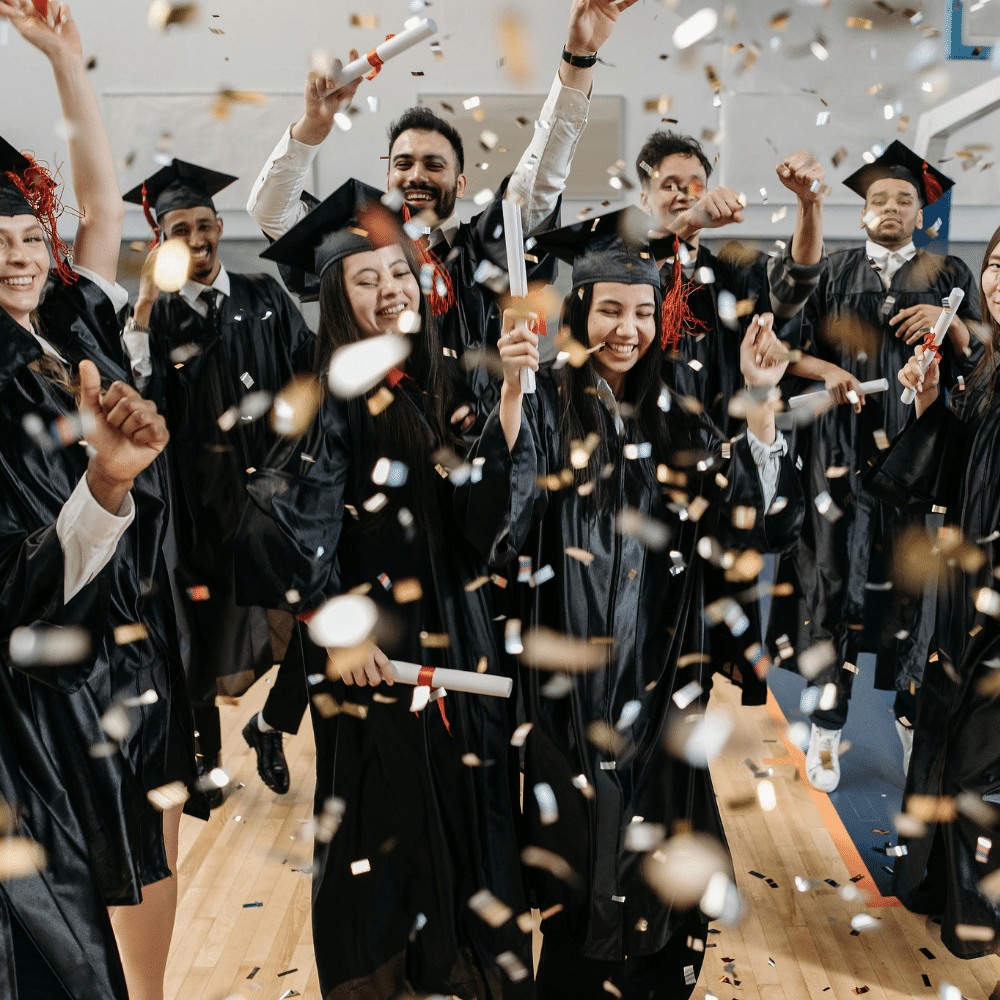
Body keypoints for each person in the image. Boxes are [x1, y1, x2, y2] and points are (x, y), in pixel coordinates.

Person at [242, 0, 638, 789]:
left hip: (474, 481)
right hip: (375, 484)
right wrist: (311, 131)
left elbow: (544, 172)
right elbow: (271, 215)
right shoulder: (360, 251)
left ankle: (458, 801)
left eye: (432, 165)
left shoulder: (489, 250)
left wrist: (577, 61)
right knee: (376, 669)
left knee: (462, 656)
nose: (415, 176)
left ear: (460, 180)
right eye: (402, 164)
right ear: (385, 178)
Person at [457, 209, 804, 1000]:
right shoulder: (542, 402)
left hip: (657, 674)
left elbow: (749, 529)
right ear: (579, 315)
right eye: (611, 309)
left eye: (643, 312)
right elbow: (496, 534)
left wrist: (757, 402)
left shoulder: (678, 411)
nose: (629, 328)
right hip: (566, 686)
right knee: (577, 864)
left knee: (658, 862)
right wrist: (511, 392)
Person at [234, 179, 529, 999]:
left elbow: (484, 523)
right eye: (366, 281)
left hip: (456, 629)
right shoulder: (327, 394)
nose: (389, 289)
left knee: (469, 813)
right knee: (389, 832)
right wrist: (335, 625)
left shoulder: (436, 378)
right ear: (336, 299)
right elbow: (275, 524)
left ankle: (467, 981)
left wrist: (506, 396)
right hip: (379, 657)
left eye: (398, 274)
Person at [0, 3, 197, 999]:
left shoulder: (74, 320)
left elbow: (104, 208)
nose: (19, 254)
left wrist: (68, 63)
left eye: (29, 236)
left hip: (110, 619)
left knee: (133, 832)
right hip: (30, 635)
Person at [766, 140, 983, 793]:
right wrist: (827, 368)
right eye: (878, 199)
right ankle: (827, 730)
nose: (890, 208)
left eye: (904, 200)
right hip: (838, 455)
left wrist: (954, 333)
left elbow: (978, 355)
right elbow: (782, 350)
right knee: (832, 583)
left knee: (916, 591)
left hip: (917, 457)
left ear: (921, 214)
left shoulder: (949, 276)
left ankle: (912, 716)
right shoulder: (829, 271)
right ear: (862, 213)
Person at [123, 160, 316, 800]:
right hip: (199, 508)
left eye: (206, 224)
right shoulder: (157, 320)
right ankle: (204, 764)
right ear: (162, 241)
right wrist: (147, 305)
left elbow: (308, 382)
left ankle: (273, 723)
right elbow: (138, 395)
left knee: (314, 618)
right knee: (196, 639)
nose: (199, 238)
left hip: (276, 502)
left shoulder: (264, 295)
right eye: (181, 229)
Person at [635, 130, 825, 705]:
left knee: (704, 628)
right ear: (644, 196)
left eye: (694, 185)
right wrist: (687, 223)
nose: (683, 195)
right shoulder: (624, 267)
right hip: (635, 475)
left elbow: (794, 285)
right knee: (637, 625)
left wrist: (810, 203)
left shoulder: (730, 273)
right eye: (668, 186)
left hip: (710, 475)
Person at [864, 224, 1000, 957]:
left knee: (988, 772)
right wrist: (926, 401)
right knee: (949, 750)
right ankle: (949, 892)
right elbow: (952, 472)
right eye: (998, 266)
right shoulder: (989, 371)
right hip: (966, 598)